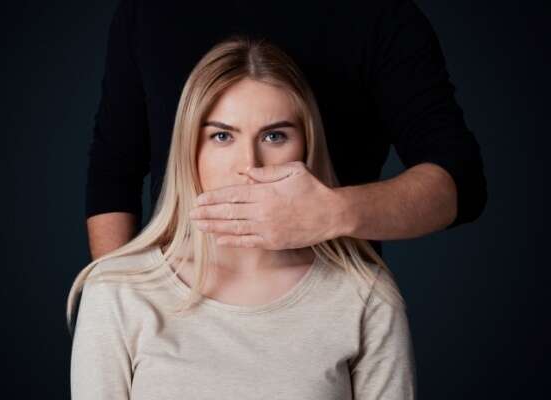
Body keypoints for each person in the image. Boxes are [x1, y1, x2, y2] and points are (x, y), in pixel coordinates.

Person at [67, 36, 417, 399]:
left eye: (274, 136)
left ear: (307, 147)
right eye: (222, 136)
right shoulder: (116, 290)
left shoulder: (365, 296)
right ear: (189, 148)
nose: (249, 164)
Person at [84, 0, 488, 261]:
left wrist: (333, 212)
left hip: (328, 301)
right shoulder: (148, 11)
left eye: (275, 136)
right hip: (177, 301)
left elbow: (460, 180)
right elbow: (113, 173)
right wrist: (114, 304)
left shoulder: (380, 14)